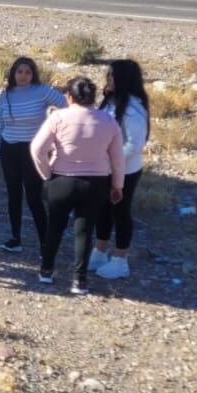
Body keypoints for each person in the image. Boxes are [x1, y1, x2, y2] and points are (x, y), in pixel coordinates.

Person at [31, 76, 125, 294]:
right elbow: (118, 158)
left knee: (55, 226)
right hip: (95, 183)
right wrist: (117, 185)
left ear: (69, 96)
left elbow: (37, 148)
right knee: (84, 231)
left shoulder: (58, 117)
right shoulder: (108, 121)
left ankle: (46, 271)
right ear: (93, 97)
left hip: (62, 179)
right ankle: (79, 281)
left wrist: (46, 173)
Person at [0, 56, 64, 252]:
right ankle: (15, 238)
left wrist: (54, 133)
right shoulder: (6, 95)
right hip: (8, 148)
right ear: (13, 73)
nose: (23, 76)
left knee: (34, 196)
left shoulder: (42, 91)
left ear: (33, 74)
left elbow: (67, 106)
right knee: (13, 193)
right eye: (19, 71)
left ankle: (45, 242)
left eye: (27, 72)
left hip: (33, 150)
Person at [90, 59, 150, 280]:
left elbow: (134, 145)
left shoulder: (133, 109)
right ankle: (99, 251)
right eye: (108, 75)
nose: (108, 80)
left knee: (121, 212)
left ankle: (120, 259)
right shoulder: (110, 101)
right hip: (107, 169)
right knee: (103, 210)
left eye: (112, 76)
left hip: (124, 171)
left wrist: (110, 162)